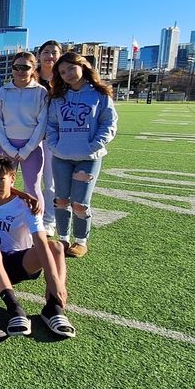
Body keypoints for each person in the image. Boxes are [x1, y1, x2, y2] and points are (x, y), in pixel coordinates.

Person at [0, 156, 73, 338]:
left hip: (18, 261)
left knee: (56, 246)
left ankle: (54, 308)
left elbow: (41, 241)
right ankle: (15, 309)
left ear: (12, 177)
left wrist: (53, 280)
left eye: (1, 179)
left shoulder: (27, 205)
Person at [46, 51, 118, 258]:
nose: (67, 74)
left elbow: (109, 123)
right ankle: (63, 239)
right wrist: (55, 145)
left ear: (82, 67)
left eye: (71, 68)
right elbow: (51, 124)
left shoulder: (99, 95)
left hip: (88, 158)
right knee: (61, 199)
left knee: (80, 202)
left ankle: (81, 241)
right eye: (62, 71)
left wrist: (95, 144)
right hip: (61, 157)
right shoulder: (58, 98)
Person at [0, 51, 50, 212]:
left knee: (32, 188)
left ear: (33, 68)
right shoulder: (3, 92)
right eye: (16, 67)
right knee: (2, 187)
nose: (20, 71)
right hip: (7, 147)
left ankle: (36, 228)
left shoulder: (41, 92)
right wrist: (8, 147)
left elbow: (42, 124)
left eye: (25, 67)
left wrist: (27, 149)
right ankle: (3, 222)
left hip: (32, 149)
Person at [36, 39, 64, 234]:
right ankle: (32, 216)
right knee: (32, 181)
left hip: (54, 139)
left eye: (54, 52)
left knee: (50, 181)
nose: (50, 56)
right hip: (32, 137)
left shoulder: (65, 78)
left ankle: (49, 220)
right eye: (46, 52)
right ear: (39, 55)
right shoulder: (31, 75)